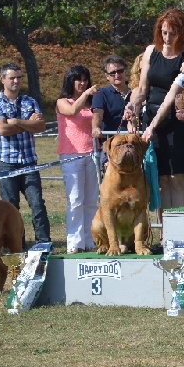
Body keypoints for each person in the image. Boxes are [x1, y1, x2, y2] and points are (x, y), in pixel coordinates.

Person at [125, 9, 184, 211]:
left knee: (177, 179)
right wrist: (133, 107)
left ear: (182, 34)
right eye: (164, 32)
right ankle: (166, 234)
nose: (167, 38)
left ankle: (183, 234)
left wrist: (152, 125)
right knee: (161, 179)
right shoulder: (151, 51)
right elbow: (141, 89)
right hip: (153, 121)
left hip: (176, 122)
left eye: (172, 34)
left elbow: (171, 98)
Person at [0, 63, 50, 245]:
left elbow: (40, 126)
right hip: (5, 162)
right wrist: (26, 123)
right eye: (12, 78)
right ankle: (17, 246)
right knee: (10, 208)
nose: (16, 81)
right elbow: (2, 129)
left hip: (29, 162)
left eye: (19, 77)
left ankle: (43, 243)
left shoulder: (30, 101)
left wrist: (15, 121)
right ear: (2, 80)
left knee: (37, 204)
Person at [56, 65, 100, 253]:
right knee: (75, 200)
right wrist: (87, 94)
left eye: (85, 79)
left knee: (91, 200)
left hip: (92, 153)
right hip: (71, 155)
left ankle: (90, 240)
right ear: (71, 81)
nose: (82, 83)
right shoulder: (61, 101)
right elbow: (73, 111)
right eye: (78, 79)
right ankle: (75, 242)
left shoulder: (92, 102)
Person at [92, 55, 132, 139]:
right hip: (112, 143)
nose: (117, 75)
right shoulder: (101, 94)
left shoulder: (136, 93)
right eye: (112, 73)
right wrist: (96, 127)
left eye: (120, 71)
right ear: (107, 76)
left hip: (134, 142)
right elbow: (97, 114)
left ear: (125, 72)